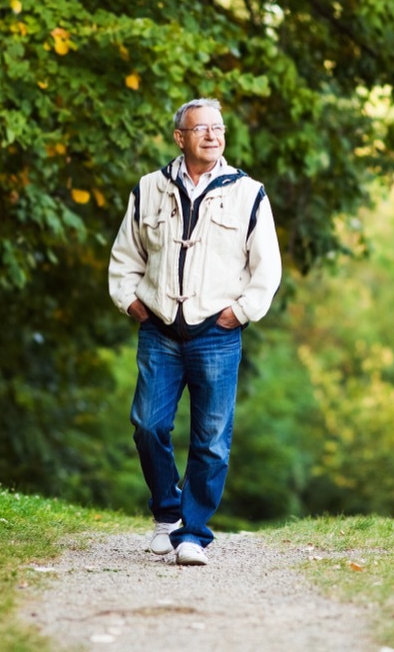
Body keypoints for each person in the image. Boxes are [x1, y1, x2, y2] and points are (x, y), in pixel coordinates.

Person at [108, 98, 282, 566]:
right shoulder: (149, 189)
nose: (212, 135)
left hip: (217, 334)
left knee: (211, 436)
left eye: (218, 128)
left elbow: (267, 269)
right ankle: (167, 514)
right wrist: (130, 300)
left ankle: (194, 534)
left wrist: (240, 312)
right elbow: (126, 257)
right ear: (180, 137)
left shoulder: (249, 193)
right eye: (201, 128)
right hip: (160, 329)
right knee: (148, 424)